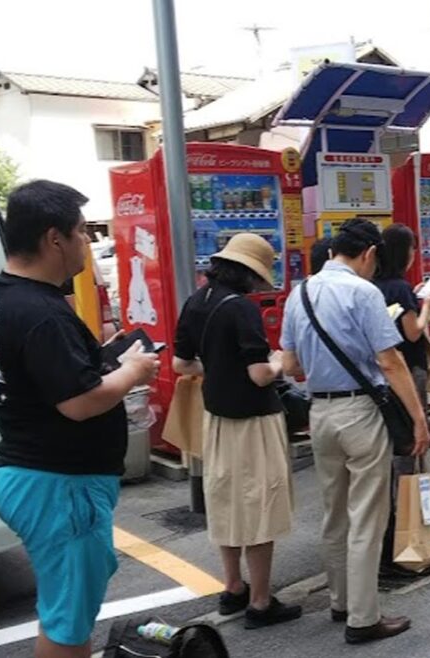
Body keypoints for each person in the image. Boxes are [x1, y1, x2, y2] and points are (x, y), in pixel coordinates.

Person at [0, 181, 160, 658]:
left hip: (30, 474)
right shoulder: (41, 312)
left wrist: (100, 358)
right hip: (58, 485)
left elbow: (45, 378)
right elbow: (79, 402)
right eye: (82, 232)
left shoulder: (1, 298)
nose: (87, 243)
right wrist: (132, 370)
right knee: (67, 623)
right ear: (54, 238)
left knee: (64, 609)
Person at [280, 219, 430, 644]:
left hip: (320, 413)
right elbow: (390, 362)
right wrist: (418, 417)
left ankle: (340, 600)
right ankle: (363, 618)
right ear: (368, 254)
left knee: (335, 511)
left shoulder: (300, 292)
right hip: (361, 412)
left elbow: (291, 367)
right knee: (367, 513)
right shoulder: (364, 293)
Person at [172, 234, 300, 629]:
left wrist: (216, 370)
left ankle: (233, 588)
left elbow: (180, 363)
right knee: (260, 506)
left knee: (226, 502)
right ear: (250, 272)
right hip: (254, 421)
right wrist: (280, 362)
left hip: (215, 421)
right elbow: (260, 375)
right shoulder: (241, 310)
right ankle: (261, 602)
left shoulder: (197, 301)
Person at [371, 224, 430, 579]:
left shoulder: (373, 286)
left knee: (396, 450)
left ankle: (397, 541)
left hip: (381, 379)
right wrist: (429, 302)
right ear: (404, 252)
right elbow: (412, 331)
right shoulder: (400, 286)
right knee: (411, 451)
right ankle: (410, 543)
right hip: (407, 370)